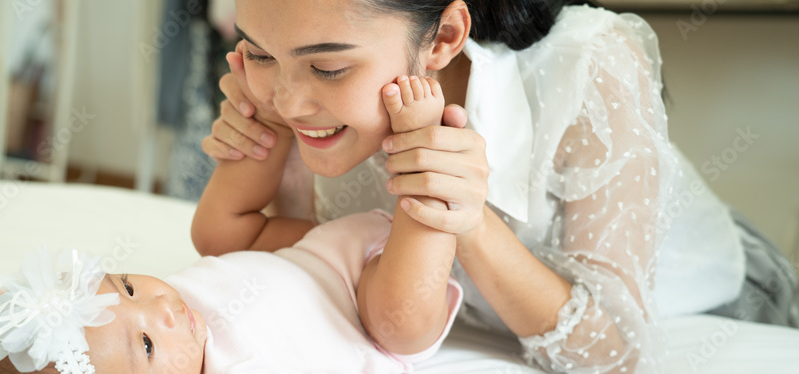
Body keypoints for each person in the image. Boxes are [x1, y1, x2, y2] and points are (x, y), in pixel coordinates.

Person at [197, 0, 799, 372]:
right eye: (258, 52)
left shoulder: (590, 64)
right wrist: (268, 150)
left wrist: (465, 214)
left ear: (443, 38)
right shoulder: (284, 94)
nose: (287, 97)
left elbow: (615, 355)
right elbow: (309, 253)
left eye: (328, 67)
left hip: (702, 298)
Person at [0, 78, 465, 373]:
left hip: (312, 251)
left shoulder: (144, 321)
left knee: (212, 233)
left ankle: (270, 110)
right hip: (370, 308)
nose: (163, 309)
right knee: (399, 319)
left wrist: (20, 310)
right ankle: (425, 157)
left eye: (128, 286)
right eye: (148, 346)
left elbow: (79, 315)